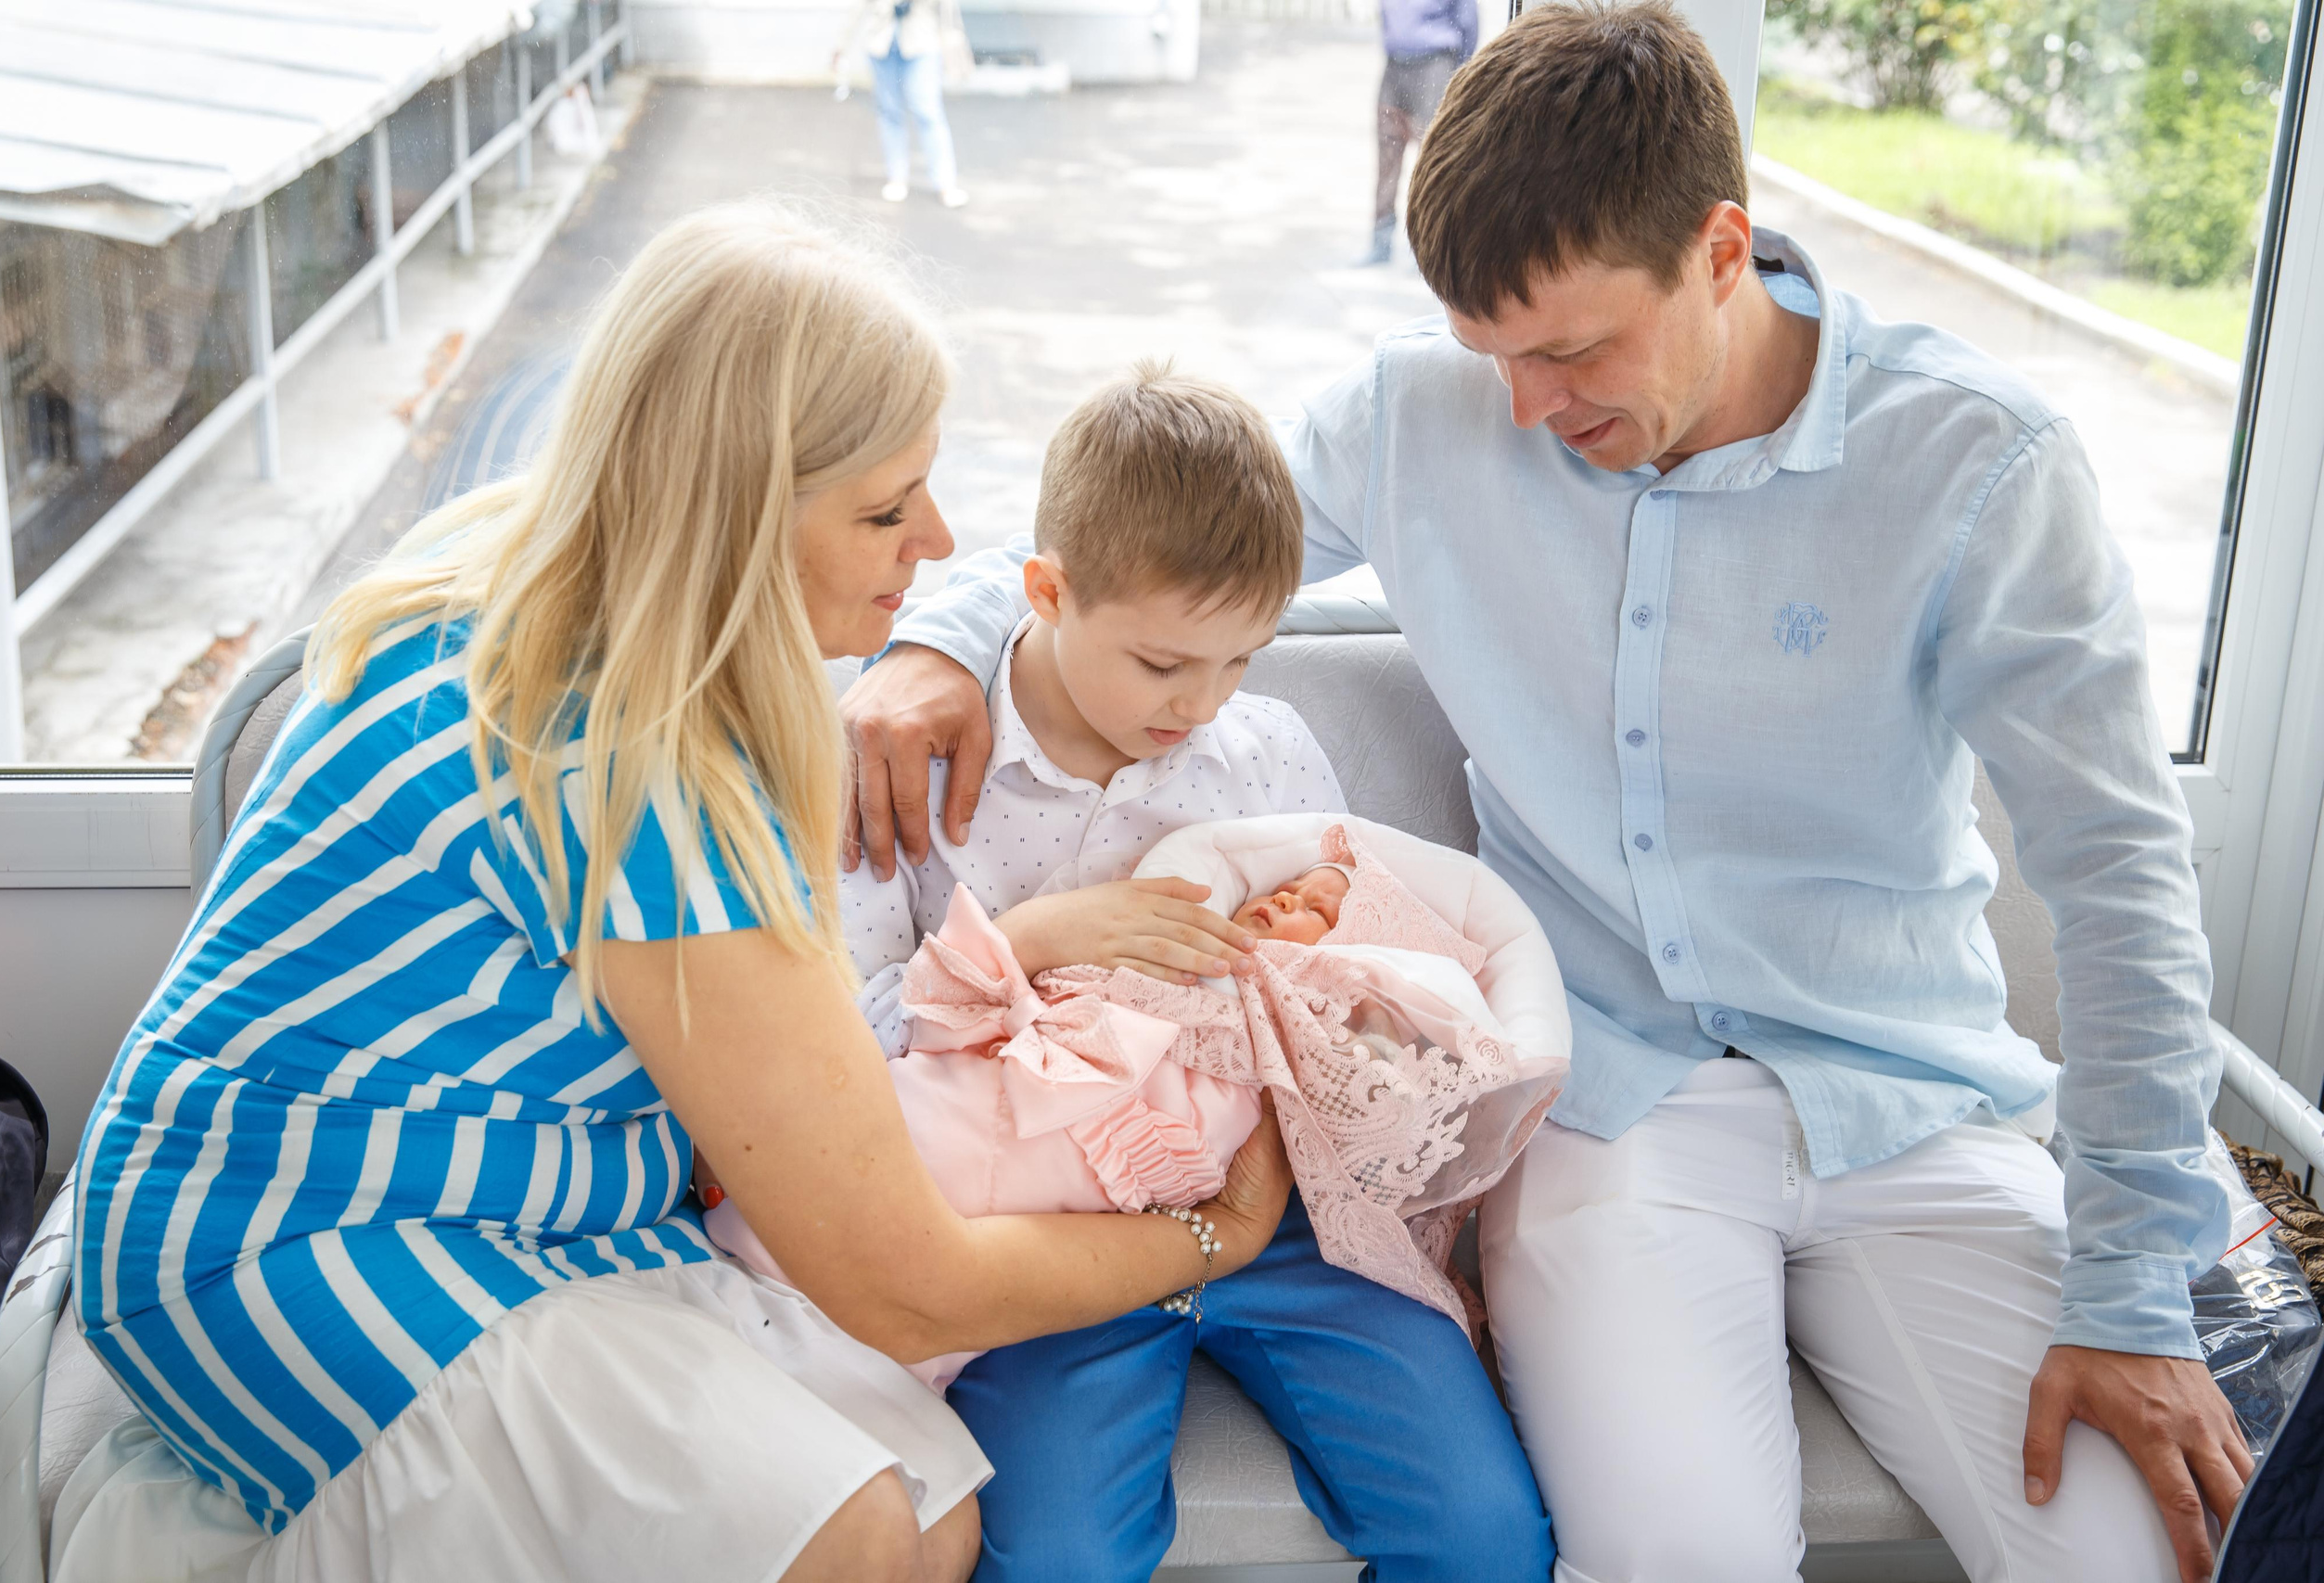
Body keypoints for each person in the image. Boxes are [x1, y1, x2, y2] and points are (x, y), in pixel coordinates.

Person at [835, 5, 2254, 1582]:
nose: (1521, 410)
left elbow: (2125, 879)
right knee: (1675, 1558)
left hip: (1916, 1098)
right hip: (1612, 1105)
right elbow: (1138, 543)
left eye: (1572, 350)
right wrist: (944, 649)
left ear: (1724, 252)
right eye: (1485, 353)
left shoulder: (1977, 465)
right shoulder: (1418, 415)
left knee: (2148, 1547)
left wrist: (2130, 1294)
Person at [62, 205, 1296, 1583]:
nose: (938, 540)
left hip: (542, 1198)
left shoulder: (543, 584)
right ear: (729, 516)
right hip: (295, 1229)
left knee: (937, 1515)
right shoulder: (630, 766)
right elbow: (903, 1283)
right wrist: (1209, 1232)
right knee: (862, 1537)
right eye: (886, 510)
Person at [820, 365, 1556, 1580]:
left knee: (1486, 1535)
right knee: (1053, 1553)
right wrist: (1041, 936)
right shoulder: (919, 765)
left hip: (1284, 1213)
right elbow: (852, 1036)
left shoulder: (1262, 751)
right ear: (1045, 590)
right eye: (1166, 664)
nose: (1204, 704)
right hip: (1041, 1235)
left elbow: (1338, 987)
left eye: (1241, 661)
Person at [1361, 0, 1478, 265]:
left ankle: (1428, 250)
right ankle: (1381, 242)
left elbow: (1468, 22)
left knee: (1433, 162)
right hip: (1395, 64)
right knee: (1387, 157)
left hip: (1435, 64)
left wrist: (1457, 74)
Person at [837, 0, 973, 209]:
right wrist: (842, 44)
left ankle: (946, 184)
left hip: (923, 41)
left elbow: (948, 9)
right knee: (890, 112)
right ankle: (897, 178)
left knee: (928, 111)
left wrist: (953, 42)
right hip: (882, 41)